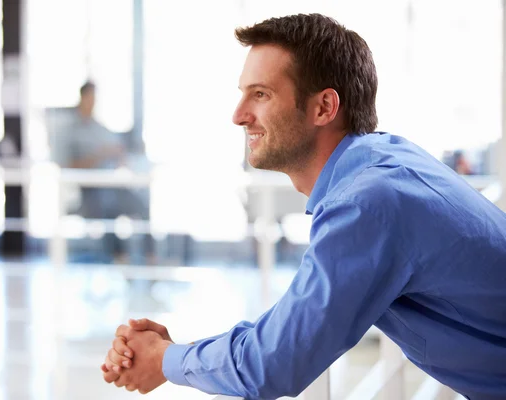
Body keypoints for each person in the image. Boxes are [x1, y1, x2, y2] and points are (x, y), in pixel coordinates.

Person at [100, 14, 506, 400]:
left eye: (260, 94)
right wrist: (175, 352)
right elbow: (292, 328)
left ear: (324, 108)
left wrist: (164, 359)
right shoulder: (385, 162)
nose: (239, 116)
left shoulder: (368, 204)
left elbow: (275, 363)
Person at [51, 81, 127, 263]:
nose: (93, 102)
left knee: (138, 202)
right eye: (91, 98)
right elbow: (64, 164)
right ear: (83, 98)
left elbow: (116, 148)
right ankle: (118, 257)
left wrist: (117, 155)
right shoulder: (68, 129)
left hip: (108, 184)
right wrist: (97, 157)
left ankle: (151, 259)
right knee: (107, 207)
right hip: (85, 189)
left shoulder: (98, 127)